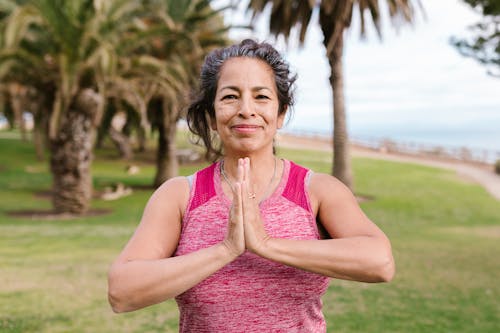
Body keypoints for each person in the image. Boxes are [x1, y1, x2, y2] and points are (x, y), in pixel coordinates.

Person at [107, 39, 395, 332]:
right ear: (212, 117)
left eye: (261, 97)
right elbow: (122, 292)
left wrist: (267, 245)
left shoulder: (316, 191)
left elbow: (380, 262)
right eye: (231, 96)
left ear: (280, 114)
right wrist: (226, 249)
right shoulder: (180, 196)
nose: (246, 110)